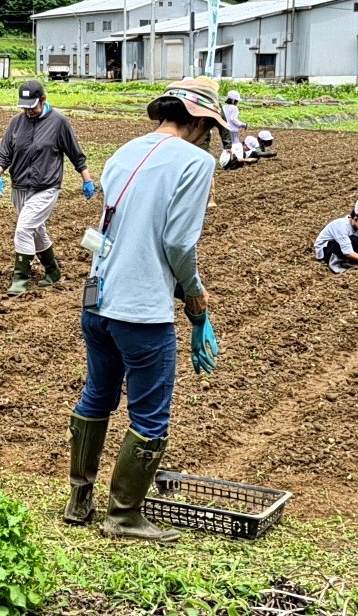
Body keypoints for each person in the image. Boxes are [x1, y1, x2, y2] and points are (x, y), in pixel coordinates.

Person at [65, 77, 226, 543]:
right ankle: (124, 515)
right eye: (209, 128)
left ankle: (80, 502)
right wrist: (195, 297)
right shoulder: (196, 162)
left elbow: (103, 229)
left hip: (98, 301)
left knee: (97, 395)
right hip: (142, 309)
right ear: (197, 119)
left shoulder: (124, 152)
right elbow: (178, 241)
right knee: (150, 414)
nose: (209, 138)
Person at [0, 79, 95, 296]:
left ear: (43, 100)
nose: (28, 111)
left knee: (24, 229)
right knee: (36, 229)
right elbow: (5, 153)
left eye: (33, 106)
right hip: (19, 186)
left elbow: (75, 153)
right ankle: (53, 270)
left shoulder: (59, 122)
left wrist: (86, 179)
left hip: (46, 187)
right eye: (25, 107)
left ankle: (20, 278)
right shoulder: (16, 123)